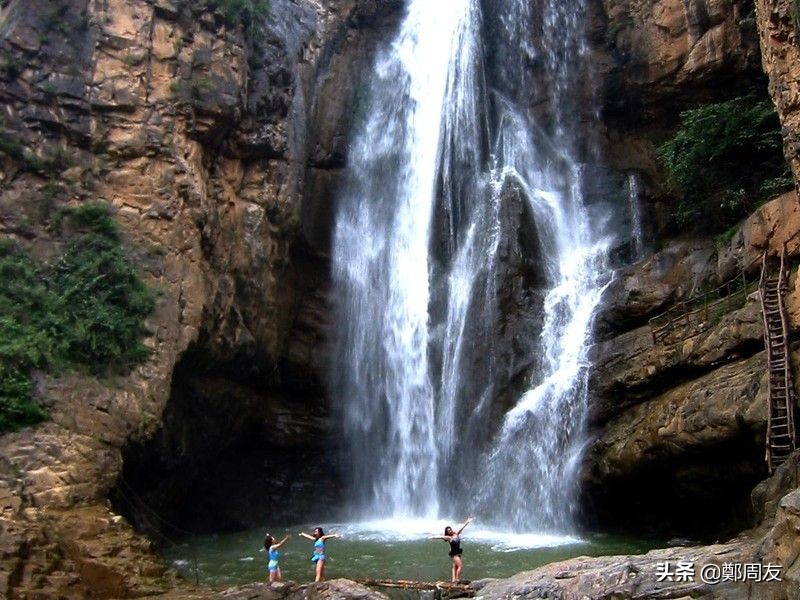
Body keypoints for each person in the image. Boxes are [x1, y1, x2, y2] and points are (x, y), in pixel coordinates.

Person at [429, 517, 474, 582]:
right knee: (460, 566)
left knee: (454, 566)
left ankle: (453, 579)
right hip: (454, 554)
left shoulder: (456, 534)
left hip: (458, 553)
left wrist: (468, 521)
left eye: (450, 529)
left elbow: (462, 527)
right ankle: (457, 579)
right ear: (447, 532)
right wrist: (432, 537)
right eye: (448, 531)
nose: (450, 531)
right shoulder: (449, 537)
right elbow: (441, 537)